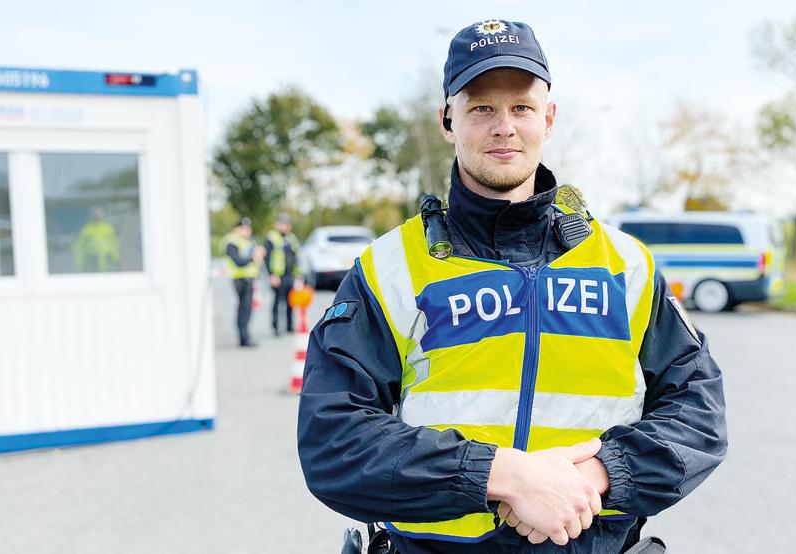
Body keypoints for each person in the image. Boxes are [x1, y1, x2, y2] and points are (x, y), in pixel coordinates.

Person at [298, 19, 727, 553]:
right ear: (447, 120)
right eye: (481, 108)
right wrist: (500, 476)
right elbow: (332, 441)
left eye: (521, 107)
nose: (504, 126)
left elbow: (699, 415)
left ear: (548, 119)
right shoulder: (390, 268)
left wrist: (595, 476)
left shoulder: (626, 265)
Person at [222, 217, 263, 347]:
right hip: (240, 279)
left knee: (247, 309)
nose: (247, 230)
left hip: (249, 279)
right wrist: (253, 258)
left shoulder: (247, 241)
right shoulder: (231, 241)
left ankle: (245, 336)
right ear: (236, 228)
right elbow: (238, 261)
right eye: (244, 228)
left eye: (248, 228)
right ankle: (243, 338)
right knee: (244, 309)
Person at [264, 213, 302, 336]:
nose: (284, 226)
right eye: (281, 223)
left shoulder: (292, 238)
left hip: (290, 275)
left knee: (290, 302)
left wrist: (298, 275)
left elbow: (296, 257)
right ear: (276, 224)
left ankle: (289, 326)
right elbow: (267, 257)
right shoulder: (271, 238)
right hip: (277, 275)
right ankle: (276, 327)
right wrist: (271, 275)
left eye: (286, 224)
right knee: (277, 302)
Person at [73, 207, 120, 272]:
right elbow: (79, 246)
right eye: (95, 214)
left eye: (99, 214)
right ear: (91, 216)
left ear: (103, 215)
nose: (97, 216)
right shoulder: (86, 229)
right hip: (91, 259)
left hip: (107, 259)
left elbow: (115, 244)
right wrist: (80, 261)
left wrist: (116, 259)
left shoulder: (108, 228)